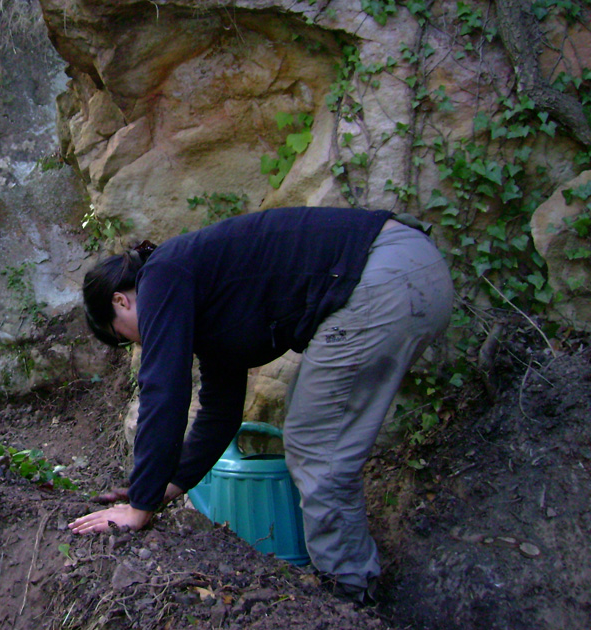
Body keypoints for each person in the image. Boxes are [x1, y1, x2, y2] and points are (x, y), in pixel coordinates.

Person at [69, 206, 454, 604]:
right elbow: (220, 414)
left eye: (126, 336)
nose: (142, 344)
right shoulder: (206, 294)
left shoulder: (162, 273)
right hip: (409, 268)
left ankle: (349, 596)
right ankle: (349, 582)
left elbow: (163, 389)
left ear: (121, 300)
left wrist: (139, 507)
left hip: (382, 276)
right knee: (315, 439)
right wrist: (165, 487)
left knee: (314, 445)